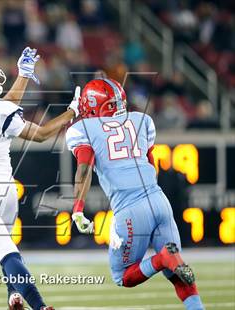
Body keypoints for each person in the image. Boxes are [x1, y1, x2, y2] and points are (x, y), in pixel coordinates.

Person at [0, 47, 80, 310]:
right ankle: (14, 296)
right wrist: (72, 112)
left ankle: (40, 306)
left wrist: (23, 75)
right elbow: (42, 134)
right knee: (8, 250)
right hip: (5, 192)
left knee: (6, 253)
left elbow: (5, 105)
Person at [65, 78, 204, 310]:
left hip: (129, 208)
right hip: (159, 200)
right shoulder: (142, 120)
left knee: (123, 277)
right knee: (176, 272)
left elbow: (84, 169)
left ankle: (162, 258)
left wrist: (77, 209)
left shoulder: (83, 130)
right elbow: (150, 163)